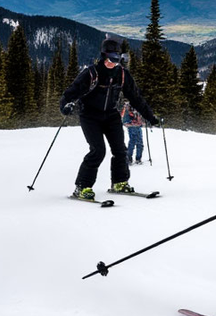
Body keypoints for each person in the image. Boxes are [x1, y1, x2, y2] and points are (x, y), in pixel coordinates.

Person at [61, 37, 159, 200]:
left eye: (117, 59)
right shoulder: (91, 73)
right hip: (90, 116)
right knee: (98, 151)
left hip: (111, 115)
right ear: (104, 56)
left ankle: (119, 182)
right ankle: (82, 187)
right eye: (111, 59)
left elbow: (136, 98)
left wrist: (150, 116)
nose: (113, 63)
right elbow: (71, 93)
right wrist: (66, 106)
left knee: (120, 150)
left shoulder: (122, 74)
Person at [121, 100, 145, 165]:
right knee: (133, 142)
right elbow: (125, 122)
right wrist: (133, 124)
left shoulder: (136, 108)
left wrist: (141, 123)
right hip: (132, 128)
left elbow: (140, 118)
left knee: (139, 143)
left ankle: (138, 158)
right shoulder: (127, 110)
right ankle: (129, 158)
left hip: (137, 128)